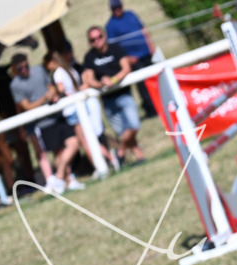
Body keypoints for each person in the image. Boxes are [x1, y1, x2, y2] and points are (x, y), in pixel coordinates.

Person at [8, 53, 82, 194]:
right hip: (40, 124)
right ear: (15, 69)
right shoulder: (15, 85)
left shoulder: (39, 70)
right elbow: (26, 106)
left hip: (56, 115)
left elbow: (51, 86)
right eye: (20, 68)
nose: (24, 69)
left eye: (25, 66)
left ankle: (61, 178)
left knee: (72, 144)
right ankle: (65, 180)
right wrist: (44, 99)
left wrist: (53, 94)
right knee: (52, 153)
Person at [45, 52, 116, 177]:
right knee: (90, 138)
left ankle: (101, 166)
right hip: (81, 107)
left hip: (72, 110)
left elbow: (61, 90)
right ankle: (111, 159)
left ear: (52, 62)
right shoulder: (69, 69)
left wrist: (53, 92)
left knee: (86, 142)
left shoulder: (57, 73)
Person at [82, 27, 146, 166]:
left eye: (99, 37)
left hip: (123, 94)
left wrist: (113, 80)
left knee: (133, 126)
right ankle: (140, 157)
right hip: (108, 100)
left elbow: (126, 67)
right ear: (89, 42)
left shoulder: (115, 49)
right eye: (93, 39)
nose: (97, 41)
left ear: (104, 36)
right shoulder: (89, 57)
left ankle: (120, 152)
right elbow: (88, 79)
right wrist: (101, 84)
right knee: (124, 131)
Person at [105, 0, 157, 118]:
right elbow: (114, 48)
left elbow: (143, 30)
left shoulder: (131, 15)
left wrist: (151, 46)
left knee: (155, 80)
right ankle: (151, 108)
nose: (117, 9)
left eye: (118, 6)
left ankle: (160, 103)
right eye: (114, 8)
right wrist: (127, 59)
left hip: (146, 54)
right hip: (133, 60)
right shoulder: (110, 26)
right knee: (143, 86)